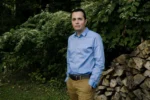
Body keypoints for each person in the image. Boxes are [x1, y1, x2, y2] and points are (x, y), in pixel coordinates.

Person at [65, 8, 105, 100]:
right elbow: (69, 59)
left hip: (85, 82)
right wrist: (67, 78)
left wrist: (92, 82)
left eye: (80, 19)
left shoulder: (95, 37)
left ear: (85, 21)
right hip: (71, 82)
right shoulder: (71, 39)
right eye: (74, 19)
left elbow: (100, 62)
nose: (77, 22)